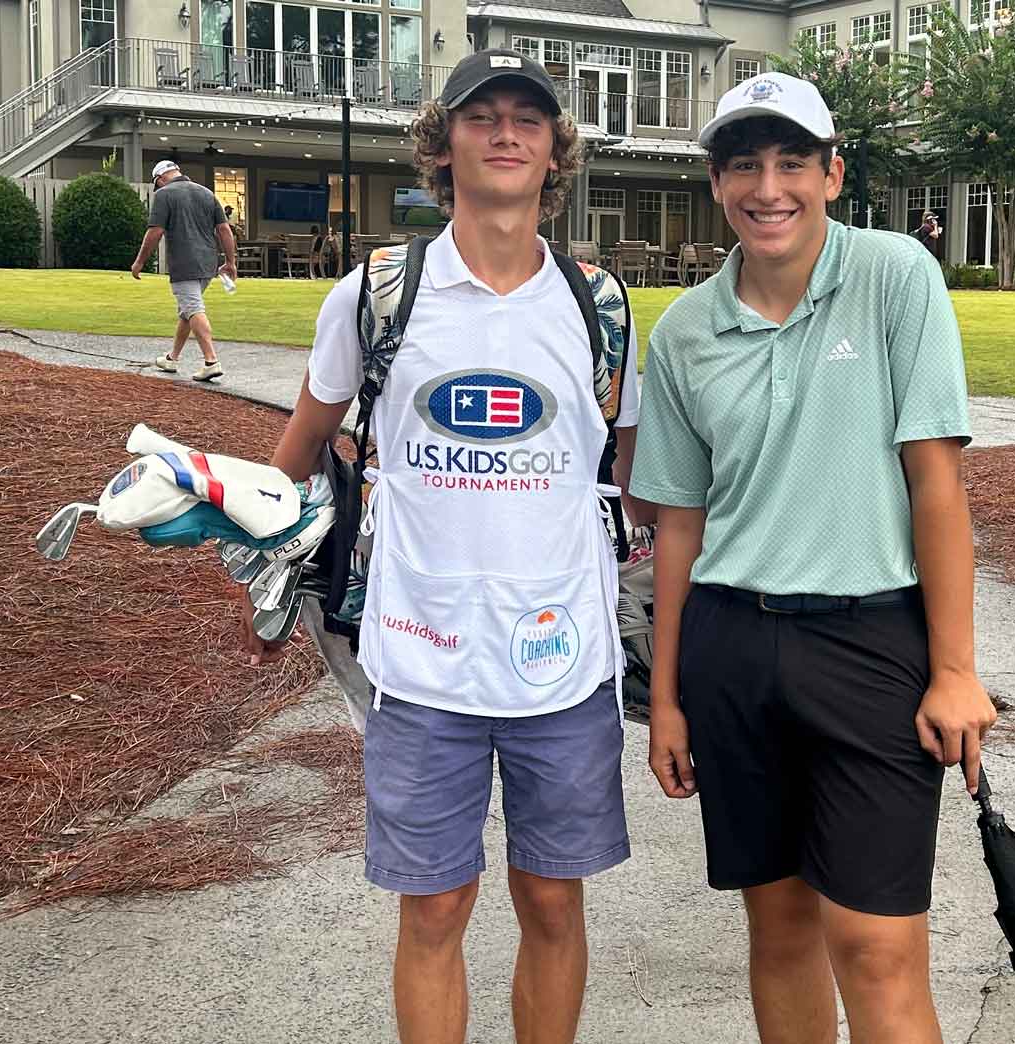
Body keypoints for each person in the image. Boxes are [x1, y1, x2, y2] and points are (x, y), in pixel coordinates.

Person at [241, 49, 640, 1044]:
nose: (504, 133)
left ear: (555, 154)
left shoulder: (600, 308)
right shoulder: (378, 293)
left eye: (527, 120)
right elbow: (291, 457)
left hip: (564, 663)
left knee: (553, 906)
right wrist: (238, 537)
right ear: (442, 144)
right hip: (421, 664)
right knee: (434, 912)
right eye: (480, 116)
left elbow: (636, 486)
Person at [630, 72, 994, 1044]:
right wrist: (665, 698)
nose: (768, 185)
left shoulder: (891, 278)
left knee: (876, 946)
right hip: (731, 650)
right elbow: (679, 526)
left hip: (872, 644)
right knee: (779, 928)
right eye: (744, 163)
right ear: (715, 183)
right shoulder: (683, 334)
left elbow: (934, 483)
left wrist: (954, 669)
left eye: (792, 160)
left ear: (832, 174)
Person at [133, 160, 237, 382]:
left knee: (193, 309)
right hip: (208, 262)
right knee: (187, 311)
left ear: (160, 179)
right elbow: (224, 229)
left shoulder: (164, 195)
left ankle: (211, 361)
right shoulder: (207, 193)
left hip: (184, 262)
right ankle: (172, 358)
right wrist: (230, 262)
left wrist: (140, 262)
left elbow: (155, 232)